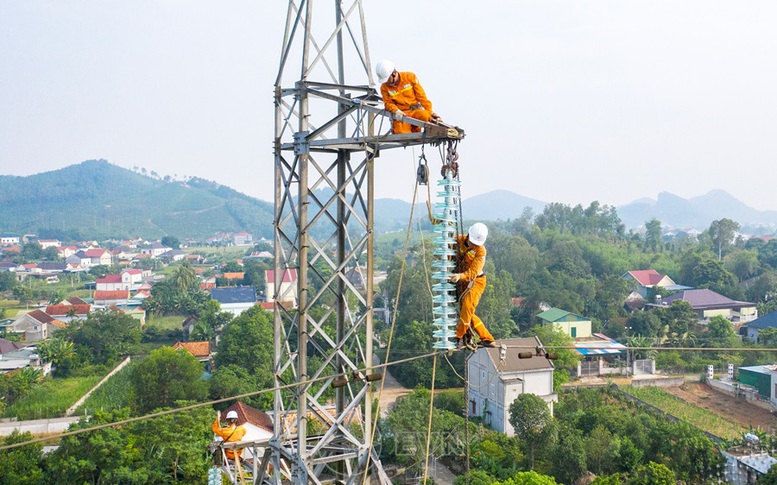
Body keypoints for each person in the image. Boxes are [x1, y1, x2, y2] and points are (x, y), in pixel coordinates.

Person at [449, 223, 495, 349]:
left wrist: (460, 276)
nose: (474, 245)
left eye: (476, 243)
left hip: (476, 281)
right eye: (472, 242)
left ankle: (459, 338)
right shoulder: (458, 240)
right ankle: (487, 338)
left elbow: (473, 273)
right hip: (462, 281)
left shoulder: (481, 251)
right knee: (467, 312)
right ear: (468, 235)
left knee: (468, 306)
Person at [376, 59, 441, 134]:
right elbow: (388, 103)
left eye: (387, 79)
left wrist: (430, 111)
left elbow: (422, 97)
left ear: (394, 73)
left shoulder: (410, 77)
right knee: (400, 133)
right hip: (402, 114)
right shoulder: (384, 87)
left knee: (425, 116)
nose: (387, 82)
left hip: (415, 111)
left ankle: (416, 130)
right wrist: (396, 111)